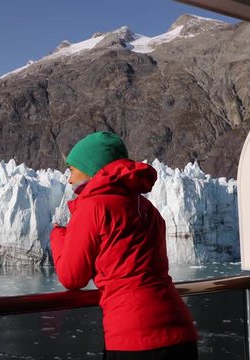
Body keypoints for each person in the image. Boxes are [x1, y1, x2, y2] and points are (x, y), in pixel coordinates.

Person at [50, 131, 198, 360]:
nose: (68, 179)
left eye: (72, 169)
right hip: (180, 331)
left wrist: (58, 235)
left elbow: (72, 277)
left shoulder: (93, 207)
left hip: (134, 336)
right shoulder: (148, 209)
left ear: (91, 168)